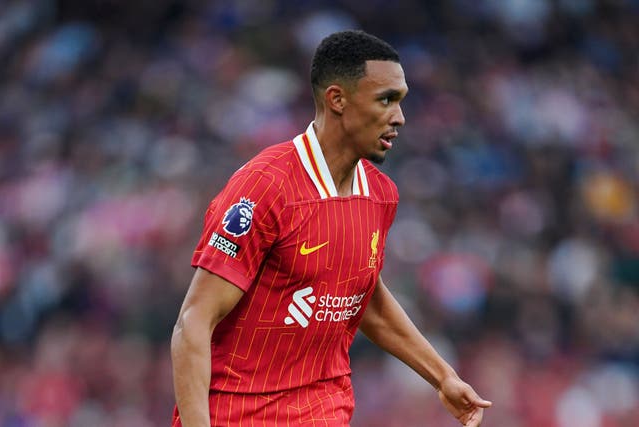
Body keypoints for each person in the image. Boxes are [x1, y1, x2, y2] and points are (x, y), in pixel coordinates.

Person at [171, 29, 492, 427]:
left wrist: (443, 377)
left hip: (324, 412)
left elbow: (363, 298)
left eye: (401, 101)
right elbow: (194, 323)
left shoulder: (380, 195)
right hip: (240, 415)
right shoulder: (264, 188)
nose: (400, 117)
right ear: (337, 99)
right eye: (386, 100)